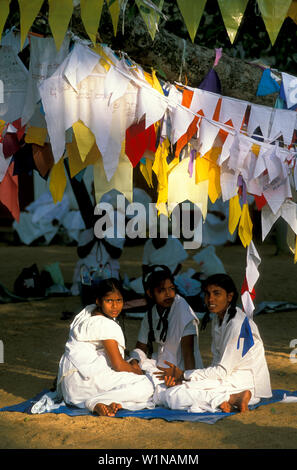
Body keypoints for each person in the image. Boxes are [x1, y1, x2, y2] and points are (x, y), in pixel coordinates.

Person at [154, 273, 272, 413]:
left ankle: (233, 398)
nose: (210, 299)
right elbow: (217, 365)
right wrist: (188, 379)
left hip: (245, 383)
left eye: (217, 294)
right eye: (207, 294)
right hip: (227, 379)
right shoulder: (219, 319)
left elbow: (221, 371)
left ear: (229, 296)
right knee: (171, 390)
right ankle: (228, 399)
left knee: (173, 396)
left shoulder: (237, 324)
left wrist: (184, 375)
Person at [56, 278, 154, 416]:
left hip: (70, 388)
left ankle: (102, 400)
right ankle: (95, 402)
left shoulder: (88, 312)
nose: (115, 306)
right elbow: (118, 366)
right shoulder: (105, 324)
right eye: (109, 301)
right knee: (146, 386)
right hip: (83, 386)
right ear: (98, 301)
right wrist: (139, 373)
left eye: (118, 300)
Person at [129, 266, 204, 373]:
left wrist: (187, 377)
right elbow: (141, 347)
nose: (168, 294)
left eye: (171, 288)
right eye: (162, 290)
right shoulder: (151, 314)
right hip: (161, 363)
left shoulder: (183, 310)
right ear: (150, 293)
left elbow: (188, 353)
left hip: (182, 369)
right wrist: (135, 360)